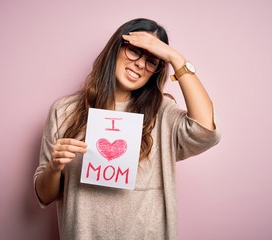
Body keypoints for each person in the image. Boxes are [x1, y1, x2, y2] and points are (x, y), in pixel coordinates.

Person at [34, 18, 221, 240]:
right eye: (134, 51)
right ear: (116, 48)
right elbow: (44, 196)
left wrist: (175, 58)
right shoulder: (63, 111)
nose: (141, 64)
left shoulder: (163, 113)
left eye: (152, 61)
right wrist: (54, 167)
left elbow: (206, 131)